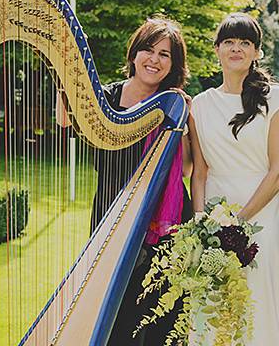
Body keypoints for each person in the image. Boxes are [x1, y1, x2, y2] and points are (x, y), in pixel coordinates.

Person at [61, 17, 194, 345]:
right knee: (113, 317)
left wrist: (183, 124)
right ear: (134, 55)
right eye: (148, 50)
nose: (154, 59)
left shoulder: (176, 105)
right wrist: (65, 66)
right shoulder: (103, 97)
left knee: (160, 322)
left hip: (167, 224)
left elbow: (188, 169)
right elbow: (64, 120)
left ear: (173, 65)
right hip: (110, 217)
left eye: (165, 55)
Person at [189, 13, 279, 345]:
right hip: (214, 211)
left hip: (262, 212)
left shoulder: (275, 100)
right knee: (212, 303)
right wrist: (201, 222)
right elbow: (200, 172)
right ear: (217, 50)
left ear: (257, 52)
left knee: (259, 301)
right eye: (229, 42)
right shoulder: (200, 105)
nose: (236, 49)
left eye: (245, 43)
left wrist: (239, 221)